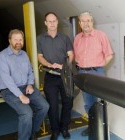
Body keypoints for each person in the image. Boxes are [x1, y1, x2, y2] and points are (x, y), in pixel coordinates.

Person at [0, 29, 49, 140]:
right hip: (9, 90)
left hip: (26, 87)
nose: (18, 42)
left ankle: (32, 132)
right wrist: (21, 95)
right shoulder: (2, 57)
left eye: (20, 39)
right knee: (26, 113)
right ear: (10, 40)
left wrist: (30, 84)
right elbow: (7, 79)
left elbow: (30, 72)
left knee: (44, 106)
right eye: (15, 39)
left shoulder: (24, 54)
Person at [73, 11, 114, 136]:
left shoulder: (101, 35)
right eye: (83, 21)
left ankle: (102, 129)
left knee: (100, 102)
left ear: (92, 22)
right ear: (80, 23)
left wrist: (99, 67)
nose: (86, 23)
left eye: (88, 21)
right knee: (88, 103)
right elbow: (76, 56)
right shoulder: (77, 38)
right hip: (83, 73)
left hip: (97, 73)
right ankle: (92, 127)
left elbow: (109, 55)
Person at [37, 12, 74, 140]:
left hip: (65, 75)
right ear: (45, 23)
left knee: (68, 102)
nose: (52, 23)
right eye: (49, 21)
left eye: (54, 21)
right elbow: (39, 56)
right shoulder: (40, 39)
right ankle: (55, 130)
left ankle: (64, 127)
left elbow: (71, 55)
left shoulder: (65, 38)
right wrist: (49, 64)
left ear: (57, 22)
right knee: (52, 105)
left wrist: (65, 66)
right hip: (50, 76)